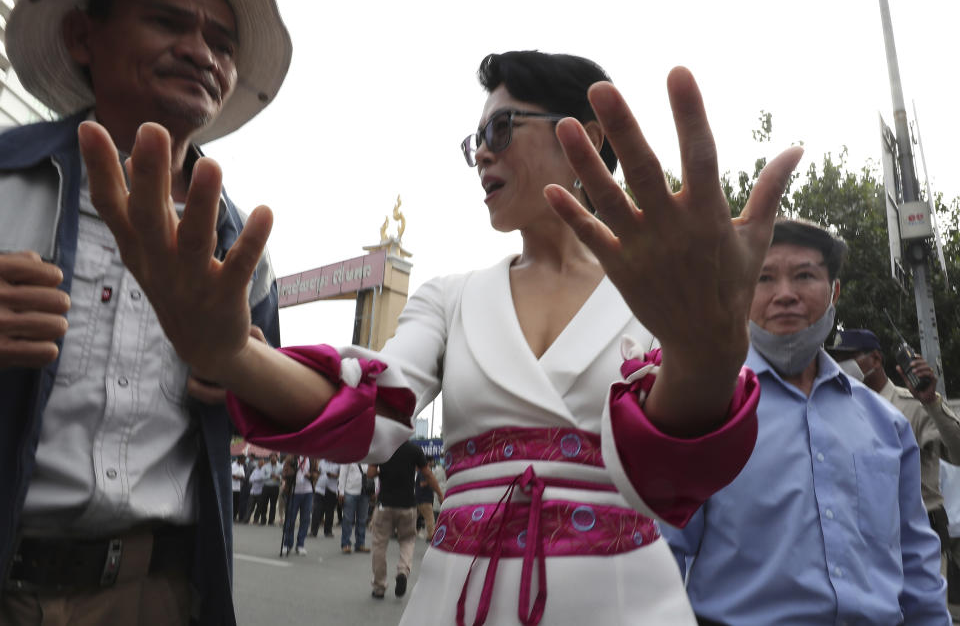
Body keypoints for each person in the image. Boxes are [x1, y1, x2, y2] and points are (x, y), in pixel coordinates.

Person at [78, 50, 804, 623]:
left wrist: (708, 355)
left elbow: (665, 468)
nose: (480, 155)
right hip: (457, 598)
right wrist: (234, 354)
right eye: (472, 141)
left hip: (622, 602)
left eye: (498, 130)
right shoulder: (451, 297)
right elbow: (377, 414)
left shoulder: (654, 290)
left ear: (582, 138)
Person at [0, 0, 290, 624]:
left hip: (161, 594)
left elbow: (255, 415)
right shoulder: (6, 176)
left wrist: (242, 376)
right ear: (83, 37)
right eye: (166, 20)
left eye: (222, 42)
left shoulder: (243, 247)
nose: (200, 53)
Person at [660, 218, 950, 625]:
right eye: (763, 278)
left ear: (833, 292)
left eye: (804, 275)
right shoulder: (702, 415)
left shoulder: (887, 424)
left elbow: (918, 566)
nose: (784, 295)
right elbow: (660, 560)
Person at [829, 329, 960, 596]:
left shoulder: (912, 404)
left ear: (876, 359)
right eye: (836, 359)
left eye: (849, 358)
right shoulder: (837, 408)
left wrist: (930, 402)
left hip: (916, 538)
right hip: (863, 541)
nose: (840, 366)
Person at [370, 441, 443, 599]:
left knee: (379, 545)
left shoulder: (382, 447)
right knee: (408, 540)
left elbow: (370, 473)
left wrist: (382, 470)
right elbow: (428, 474)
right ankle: (403, 571)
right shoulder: (415, 450)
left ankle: (379, 586)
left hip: (384, 504)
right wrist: (439, 493)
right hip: (408, 506)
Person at [280, 455, 318, 556]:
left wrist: (311, 475)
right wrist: (294, 471)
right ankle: (287, 544)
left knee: (305, 519)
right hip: (293, 492)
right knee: (290, 519)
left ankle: (300, 545)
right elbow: (284, 473)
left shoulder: (312, 458)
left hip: (308, 492)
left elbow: (316, 473)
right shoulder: (291, 457)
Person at [339, 462, 372, 554]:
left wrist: (375, 489)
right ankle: (345, 544)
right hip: (350, 491)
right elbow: (343, 474)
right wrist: (341, 491)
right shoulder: (349, 456)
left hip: (365, 492)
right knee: (348, 519)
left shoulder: (369, 456)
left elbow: (373, 473)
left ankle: (360, 544)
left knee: (362, 520)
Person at [311, 460, 340, 538]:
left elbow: (341, 475)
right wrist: (314, 480)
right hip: (320, 489)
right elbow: (317, 473)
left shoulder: (338, 463)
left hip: (332, 490)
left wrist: (334, 475)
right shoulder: (321, 462)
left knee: (329, 512)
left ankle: (328, 531)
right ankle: (313, 531)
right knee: (316, 510)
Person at [415, 456, 440, 539]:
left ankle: (403, 532)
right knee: (430, 518)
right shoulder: (424, 472)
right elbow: (423, 484)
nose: (433, 463)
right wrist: (432, 481)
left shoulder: (423, 471)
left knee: (413, 517)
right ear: (428, 462)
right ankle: (431, 536)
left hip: (420, 498)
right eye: (432, 461)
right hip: (424, 499)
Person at [262, 453, 283, 526]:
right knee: (264, 504)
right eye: (271, 457)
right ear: (269, 458)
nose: (273, 459)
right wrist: (270, 476)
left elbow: (283, 477)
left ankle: (271, 521)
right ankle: (263, 520)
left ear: (277, 458)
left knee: (273, 505)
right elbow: (262, 477)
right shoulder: (265, 466)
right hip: (266, 487)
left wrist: (278, 477)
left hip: (275, 487)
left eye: (274, 457)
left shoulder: (281, 466)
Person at [247, 456, 268, 525]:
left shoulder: (265, 471)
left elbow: (264, 479)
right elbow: (250, 479)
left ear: (264, 464)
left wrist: (256, 479)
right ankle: (246, 519)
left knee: (259, 508)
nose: (260, 464)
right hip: (253, 491)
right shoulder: (255, 470)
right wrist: (257, 479)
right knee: (250, 507)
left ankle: (255, 520)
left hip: (261, 492)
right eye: (259, 463)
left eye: (262, 463)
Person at [231, 457, 245, 523]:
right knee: (232, 503)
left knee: (236, 504)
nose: (244, 461)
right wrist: (239, 477)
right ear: (239, 459)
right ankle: (231, 517)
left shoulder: (241, 466)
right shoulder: (233, 465)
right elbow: (233, 476)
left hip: (238, 488)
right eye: (243, 460)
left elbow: (243, 477)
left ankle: (234, 517)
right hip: (232, 488)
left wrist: (238, 477)